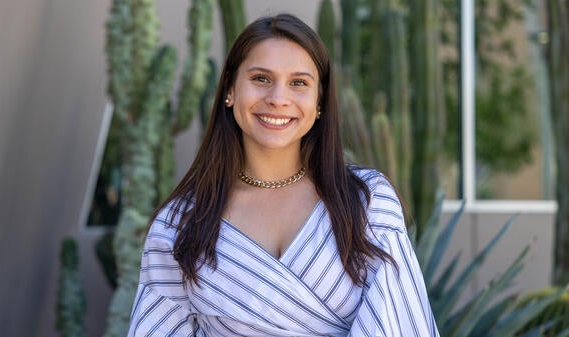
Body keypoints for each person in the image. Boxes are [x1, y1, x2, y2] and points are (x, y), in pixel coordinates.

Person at [127, 13, 440, 337]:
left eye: (298, 83)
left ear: (319, 102)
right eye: (261, 78)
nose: (278, 98)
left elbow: (400, 325)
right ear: (230, 90)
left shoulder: (366, 201)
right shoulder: (180, 224)